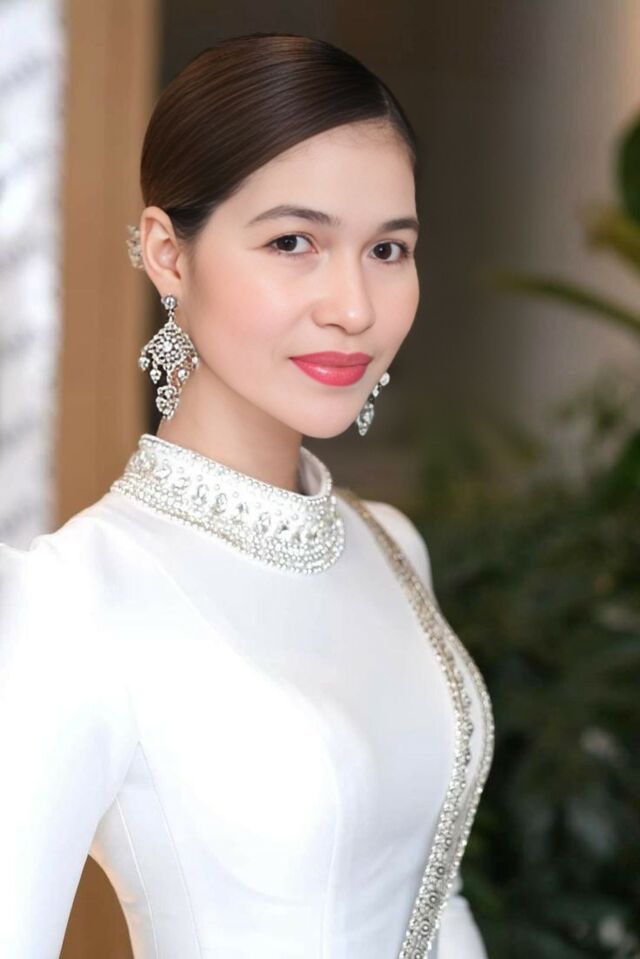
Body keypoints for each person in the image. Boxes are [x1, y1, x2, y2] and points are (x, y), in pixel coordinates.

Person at [0, 31, 494, 959]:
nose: (354, 305)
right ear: (167, 254)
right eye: (293, 242)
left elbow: (437, 898)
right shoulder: (74, 602)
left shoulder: (389, 544)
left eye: (388, 248)